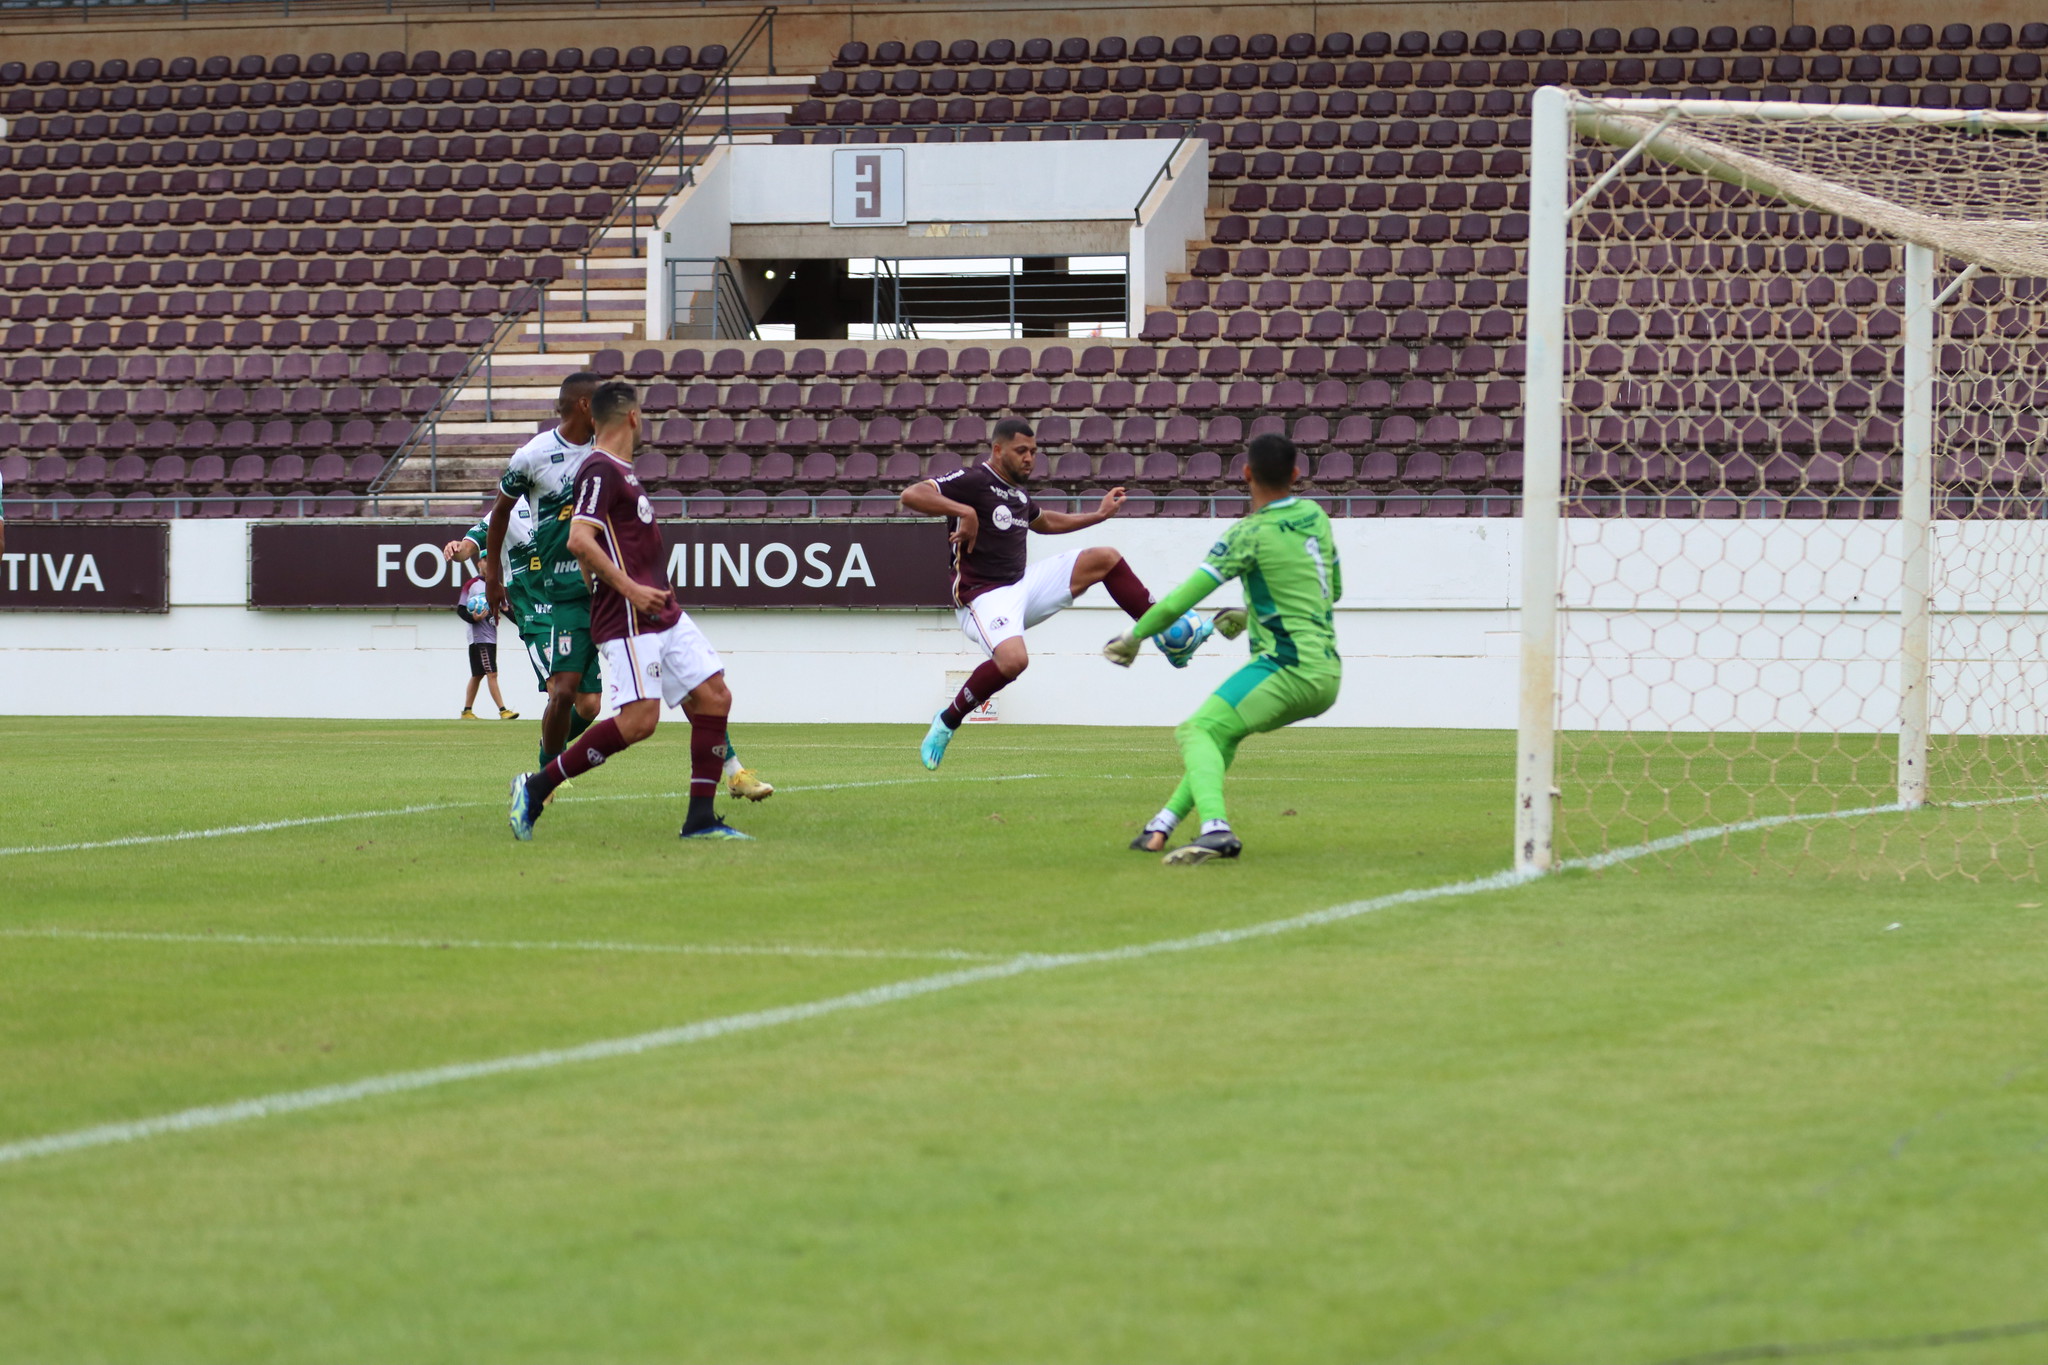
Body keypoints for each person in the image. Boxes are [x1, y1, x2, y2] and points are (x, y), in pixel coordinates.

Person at [481, 375, 771, 802]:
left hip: (613, 589)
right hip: (564, 591)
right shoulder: (535, 456)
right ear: (584, 406)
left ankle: (733, 770)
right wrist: (493, 575)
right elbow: (501, 511)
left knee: (693, 682)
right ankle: (543, 776)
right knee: (567, 695)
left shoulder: (609, 453)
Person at [899, 416, 1216, 771]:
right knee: (1014, 661)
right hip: (983, 596)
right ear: (998, 449)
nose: (1029, 458)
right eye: (1021, 451)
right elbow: (912, 494)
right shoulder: (974, 480)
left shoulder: (1018, 494)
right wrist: (964, 511)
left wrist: (1098, 516)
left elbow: (1045, 522)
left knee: (1105, 558)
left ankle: (1167, 636)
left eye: (1033, 452)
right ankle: (946, 722)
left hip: (1022, 585)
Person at [1104, 433, 1343, 865]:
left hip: (1286, 667)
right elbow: (1330, 592)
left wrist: (1133, 638)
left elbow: (1179, 601)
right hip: (1327, 671)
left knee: (1194, 730)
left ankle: (1216, 829)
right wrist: (1253, 613)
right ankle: (1161, 827)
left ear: (1246, 473)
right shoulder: (1315, 516)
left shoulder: (1246, 534)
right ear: (1296, 474)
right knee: (1220, 732)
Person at [456, 567, 517, 720]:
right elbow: (461, 609)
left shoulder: (498, 586)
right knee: (492, 673)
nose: (488, 564)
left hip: (491, 635)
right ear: (479, 564)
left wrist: (521, 624)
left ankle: (467, 711)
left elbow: (505, 608)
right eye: (485, 560)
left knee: (477, 674)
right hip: (479, 637)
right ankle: (503, 710)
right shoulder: (472, 585)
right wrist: (473, 618)